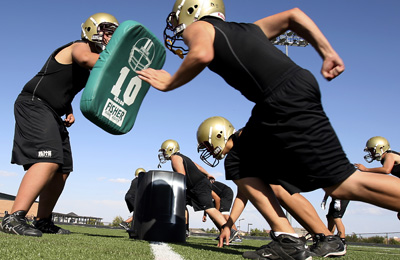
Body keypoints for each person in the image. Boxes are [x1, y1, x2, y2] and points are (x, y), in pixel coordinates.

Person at [137, 2, 400, 259]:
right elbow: (293, 16)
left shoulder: (201, 27)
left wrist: (171, 81)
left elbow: (202, 53)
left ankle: (290, 239)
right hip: (286, 93)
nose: (176, 27)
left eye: (176, 18)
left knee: (342, 184)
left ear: (192, 10)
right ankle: (287, 238)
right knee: (241, 161)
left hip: (282, 96)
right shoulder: (250, 29)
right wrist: (327, 52)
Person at [1, 13, 119, 237]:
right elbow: (85, 60)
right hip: (34, 103)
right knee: (47, 159)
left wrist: (69, 109)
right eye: (107, 31)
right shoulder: (79, 47)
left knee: (62, 170)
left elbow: (65, 86)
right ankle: (13, 217)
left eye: (113, 33)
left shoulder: (96, 61)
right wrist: (123, 64)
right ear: (91, 29)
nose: (109, 37)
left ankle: (43, 220)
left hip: (53, 111)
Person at [197, 116, 346, 257]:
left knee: (278, 189)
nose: (209, 151)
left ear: (218, 135)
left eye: (208, 146)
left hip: (307, 143)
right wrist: (228, 226)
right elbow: (243, 195)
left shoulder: (244, 144)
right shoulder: (239, 149)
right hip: (304, 142)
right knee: (279, 188)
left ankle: (292, 239)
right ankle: (326, 238)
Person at [158, 139, 238, 242]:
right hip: (196, 187)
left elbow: (182, 176)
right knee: (182, 203)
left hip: (198, 186)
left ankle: (229, 230)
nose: (163, 154)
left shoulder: (175, 158)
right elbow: (197, 166)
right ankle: (183, 229)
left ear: (170, 149)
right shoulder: (183, 157)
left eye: (164, 151)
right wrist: (207, 174)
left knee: (210, 209)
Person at [354, 136, 400, 220]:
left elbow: (386, 170)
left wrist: (366, 169)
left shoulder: (389, 156)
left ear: (381, 148)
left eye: (372, 150)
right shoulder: (388, 157)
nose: (371, 153)